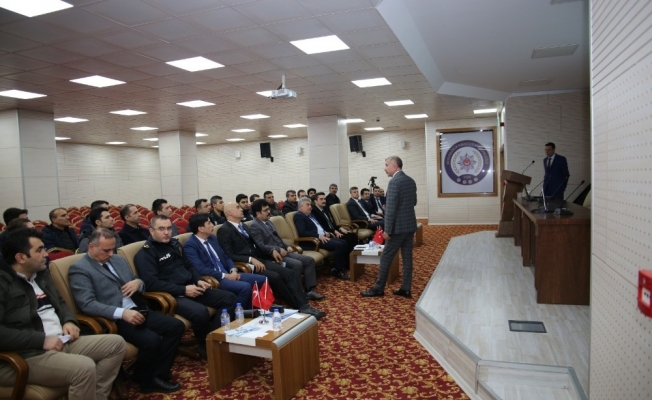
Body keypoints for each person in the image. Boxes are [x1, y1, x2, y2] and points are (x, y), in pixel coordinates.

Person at [0, 228, 126, 400]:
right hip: (27, 354)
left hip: (60, 340)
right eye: (39, 250)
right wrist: (42, 340)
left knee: (116, 344)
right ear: (21, 258)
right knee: (84, 367)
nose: (46, 254)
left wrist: (69, 321)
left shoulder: (41, 274)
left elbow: (59, 302)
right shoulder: (4, 284)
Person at [69, 229, 184, 394]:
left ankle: (155, 374)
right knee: (151, 340)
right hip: (113, 318)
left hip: (137, 308)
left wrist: (138, 283)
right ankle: (147, 382)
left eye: (113, 249)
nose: (111, 254)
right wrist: (121, 313)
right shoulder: (80, 269)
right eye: (106, 250)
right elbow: (87, 304)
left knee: (176, 326)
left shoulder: (118, 259)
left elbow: (137, 281)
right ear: (91, 247)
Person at [133, 215, 236, 358]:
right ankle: (206, 346)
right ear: (151, 231)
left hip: (191, 287)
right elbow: (151, 283)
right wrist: (183, 290)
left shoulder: (174, 244)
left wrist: (198, 280)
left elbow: (189, 266)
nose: (166, 232)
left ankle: (212, 337)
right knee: (200, 312)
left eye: (169, 228)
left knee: (229, 298)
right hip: (171, 295)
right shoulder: (146, 253)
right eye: (161, 229)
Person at [216, 202, 325, 319]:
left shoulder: (243, 226)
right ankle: (300, 306)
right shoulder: (224, 230)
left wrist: (272, 250)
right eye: (237, 207)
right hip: (247, 265)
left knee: (289, 273)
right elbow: (229, 255)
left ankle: (302, 304)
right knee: (275, 276)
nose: (241, 209)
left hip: (260, 259)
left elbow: (258, 245)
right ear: (229, 212)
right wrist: (250, 259)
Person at [183, 213, 266, 309]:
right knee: (245, 287)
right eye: (209, 223)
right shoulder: (190, 245)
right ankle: (237, 314)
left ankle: (252, 310)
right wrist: (226, 276)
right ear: (201, 228)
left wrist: (233, 270)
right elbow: (200, 269)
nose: (213, 225)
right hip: (215, 278)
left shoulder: (212, 238)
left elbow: (225, 256)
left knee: (261, 279)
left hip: (228, 273)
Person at [361, 156, 417, 298]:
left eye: (386, 165)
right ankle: (406, 288)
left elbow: (390, 209)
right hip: (409, 225)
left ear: (394, 166)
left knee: (386, 257)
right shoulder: (410, 181)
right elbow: (414, 202)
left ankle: (378, 289)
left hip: (397, 228)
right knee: (407, 258)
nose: (385, 168)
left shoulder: (394, 182)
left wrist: (387, 230)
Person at [249, 199, 324, 301]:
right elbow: (261, 246)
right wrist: (277, 249)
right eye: (265, 210)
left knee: (309, 260)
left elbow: (278, 238)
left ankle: (309, 290)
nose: (269, 212)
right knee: (297, 264)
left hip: (284, 251)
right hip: (273, 256)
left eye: (268, 209)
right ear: (258, 214)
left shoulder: (268, 222)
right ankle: (297, 292)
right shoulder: (254, 226)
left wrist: (287, 245)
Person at [294, 198, 350, 280]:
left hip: (322, 237)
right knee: (339, 245)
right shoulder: (299, 216)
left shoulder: (310, 215)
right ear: (300, 207)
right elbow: (302, 232)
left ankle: (336, 267)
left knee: (344, 242)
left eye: (310, 205)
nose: (310, 207)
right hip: (312, 241)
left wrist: (325, 232)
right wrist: (318, 236)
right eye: (307, 205)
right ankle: (339, 270)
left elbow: (318, 226)